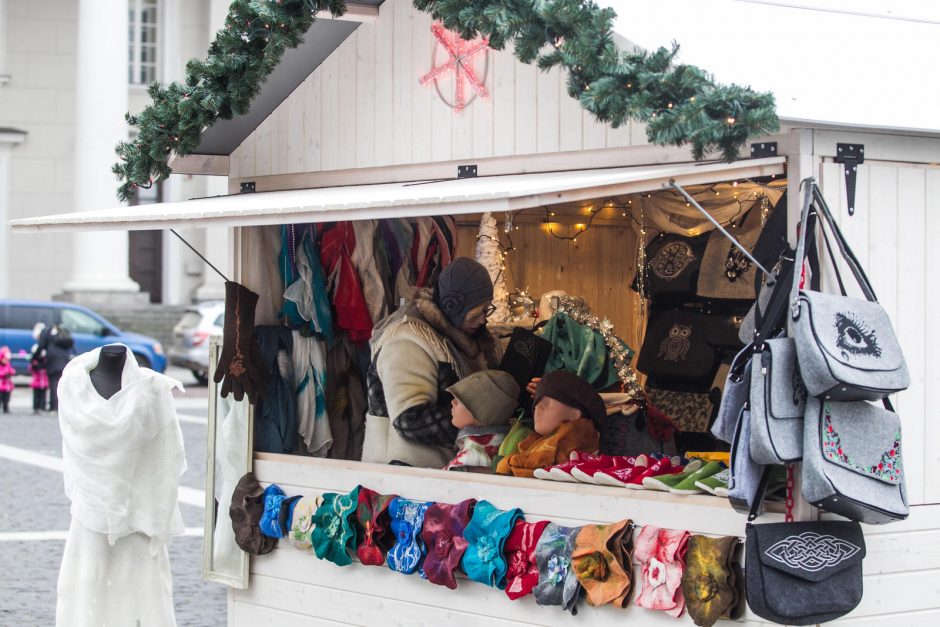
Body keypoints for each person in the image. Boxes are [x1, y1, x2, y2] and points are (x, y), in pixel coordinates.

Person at [362, 257, 501, 468]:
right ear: (454, 306)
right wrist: (480, 425)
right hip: (404, 475)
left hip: (435, 473)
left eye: (485, 310)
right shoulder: (408, 339)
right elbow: (410, 419)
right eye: (477, 312)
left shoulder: (459, 338)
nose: (483, 320)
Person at [496, 370, 605, 478]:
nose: (537, 408)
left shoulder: (574, 447)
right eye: (537, 402)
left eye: (546, 403)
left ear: (575, 414)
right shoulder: (533, 445)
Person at [443, 369, 520, 472]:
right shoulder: (500, 445)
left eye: (460, 400)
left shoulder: (474, 458)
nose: (453, 402)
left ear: (484, 412)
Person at [38, 323, 75, 413]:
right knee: (62, 384)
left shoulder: (48, 334)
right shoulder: (63, 336)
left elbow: (41, 345)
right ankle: (61, 406)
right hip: (64, 361)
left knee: (54, 384)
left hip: (52, 362)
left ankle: (54, 406)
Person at [0, 346, 15, 413]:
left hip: (7, 386)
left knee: (7, 399)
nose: (6, 361)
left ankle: (6, 408)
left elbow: (12, 370)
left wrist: (11, 372)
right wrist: (4, 374)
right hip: (1, 386)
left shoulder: (8, 365)